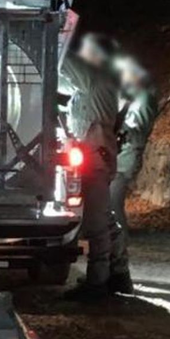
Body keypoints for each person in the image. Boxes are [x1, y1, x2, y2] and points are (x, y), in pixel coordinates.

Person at [59, 33, 123, 301]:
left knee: (97, 221)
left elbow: (64, 64)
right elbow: (65, 84)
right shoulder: (96, 82)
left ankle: (98, 283)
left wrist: (56, 41)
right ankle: (118, 274)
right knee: (104, 219)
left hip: (95, 158)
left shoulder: (95, 79)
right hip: (99, 155)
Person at [110, 55, 159, 282]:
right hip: (118, 159)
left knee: (113, 210)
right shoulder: (132, 96)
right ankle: (114, 263)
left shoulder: (143, 98)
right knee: (110, 210)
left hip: (124, 160)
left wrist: (119, 128)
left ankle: (118, 265)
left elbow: (136, 133)